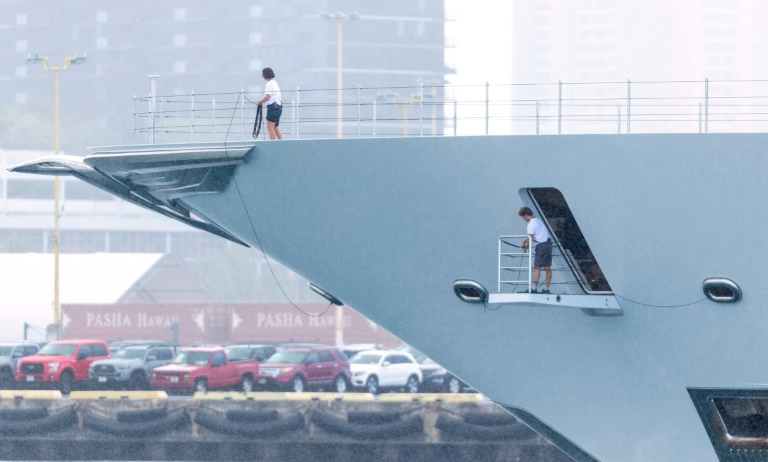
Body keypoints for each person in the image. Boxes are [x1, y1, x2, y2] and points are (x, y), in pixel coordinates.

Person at [518, 206, 552, 294]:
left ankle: (534, 288)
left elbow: (531, 237)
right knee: (547, 268)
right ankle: (546, 288)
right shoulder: (538, 220)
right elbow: (536, 235)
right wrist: (524, 241)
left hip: (541, 246)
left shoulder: (531, 224)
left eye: (522, 217)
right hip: (548, 245)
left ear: (525, 215)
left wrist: (525, 248)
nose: (523, 219)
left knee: (537, 267)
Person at [257, 67, 283, 140]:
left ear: (265, 75)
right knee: (275, 127)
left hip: (273, 107)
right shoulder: (275, 83)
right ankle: (282, 143)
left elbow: (268, 97)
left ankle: (273, 144)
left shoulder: (269, 84)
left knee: (270, 127)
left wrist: (260, 102)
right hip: (279, 107)